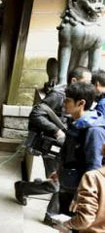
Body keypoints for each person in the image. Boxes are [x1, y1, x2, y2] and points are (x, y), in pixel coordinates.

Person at [43, 82, 105, 233]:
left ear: (81, 103)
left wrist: (82, 193)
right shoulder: (76, 123)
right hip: (68, 182)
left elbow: (94, 166)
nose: (64, 104)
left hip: (79, 187)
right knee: (67, 221)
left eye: (68, 101)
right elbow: (67, 152)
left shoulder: (93, 130)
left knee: (79, 227)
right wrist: (59, 171)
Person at [18, 66, 92, 221]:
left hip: (65, 146)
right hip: (53, 145)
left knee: (60, 182)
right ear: (74, 81)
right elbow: (36, 113)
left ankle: (48, 212)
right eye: (86, 81)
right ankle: (25, 189)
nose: (89, 85)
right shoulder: (58, 94)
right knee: (56, 184)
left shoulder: (80, 96)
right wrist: (56, 131)